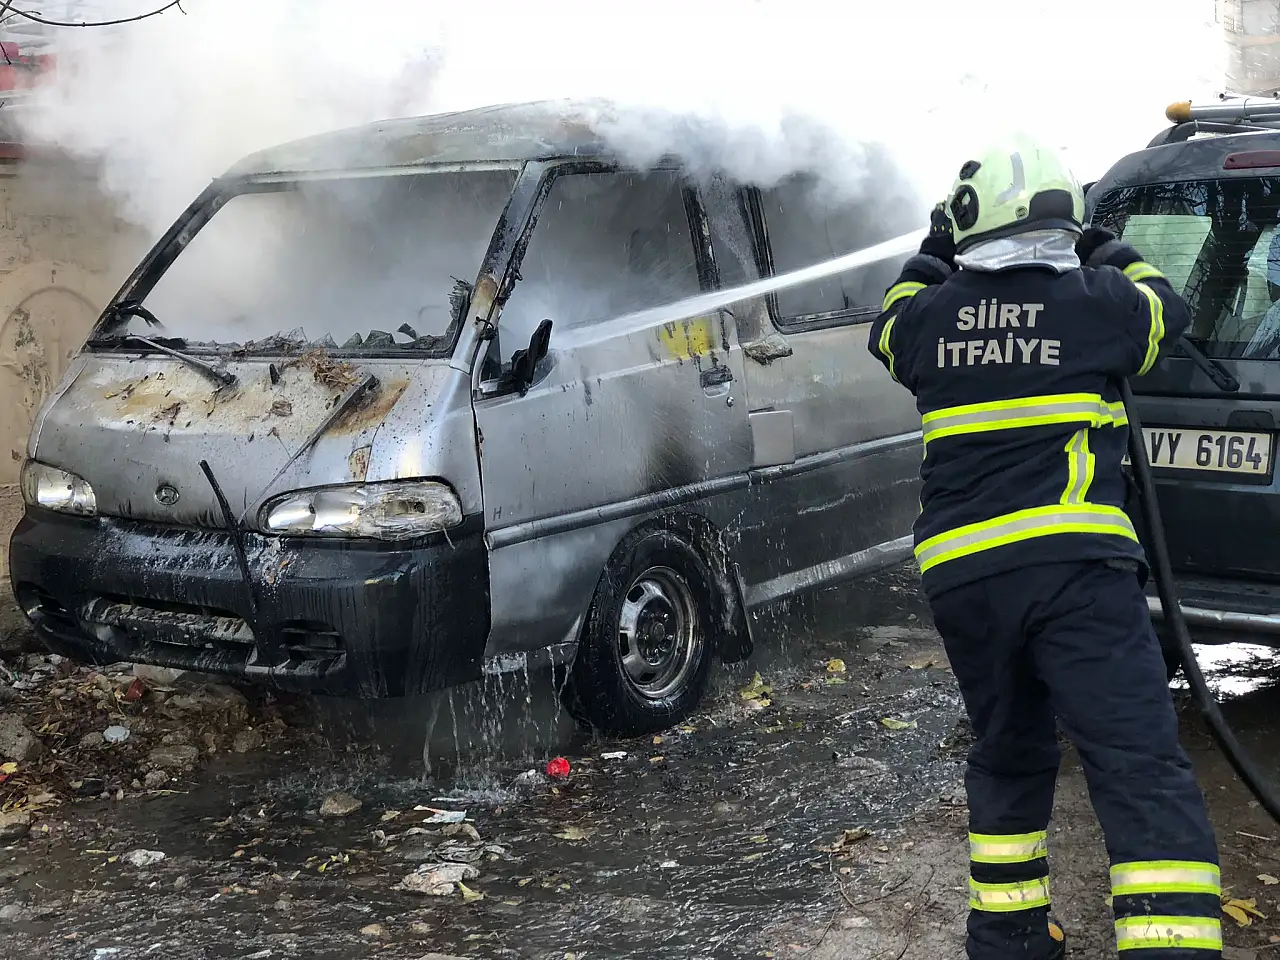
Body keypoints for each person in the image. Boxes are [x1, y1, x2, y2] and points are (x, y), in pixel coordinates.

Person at [867, 134, 1223, 959]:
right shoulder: (1097, 301)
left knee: (1010, 753)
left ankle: (1010, 940)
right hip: (1074, 575)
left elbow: (886, 325)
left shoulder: (926, 318)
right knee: (1136, 767)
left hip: (963, 583)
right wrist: (1110, 245)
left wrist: (929, 250)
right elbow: (1168, 309)